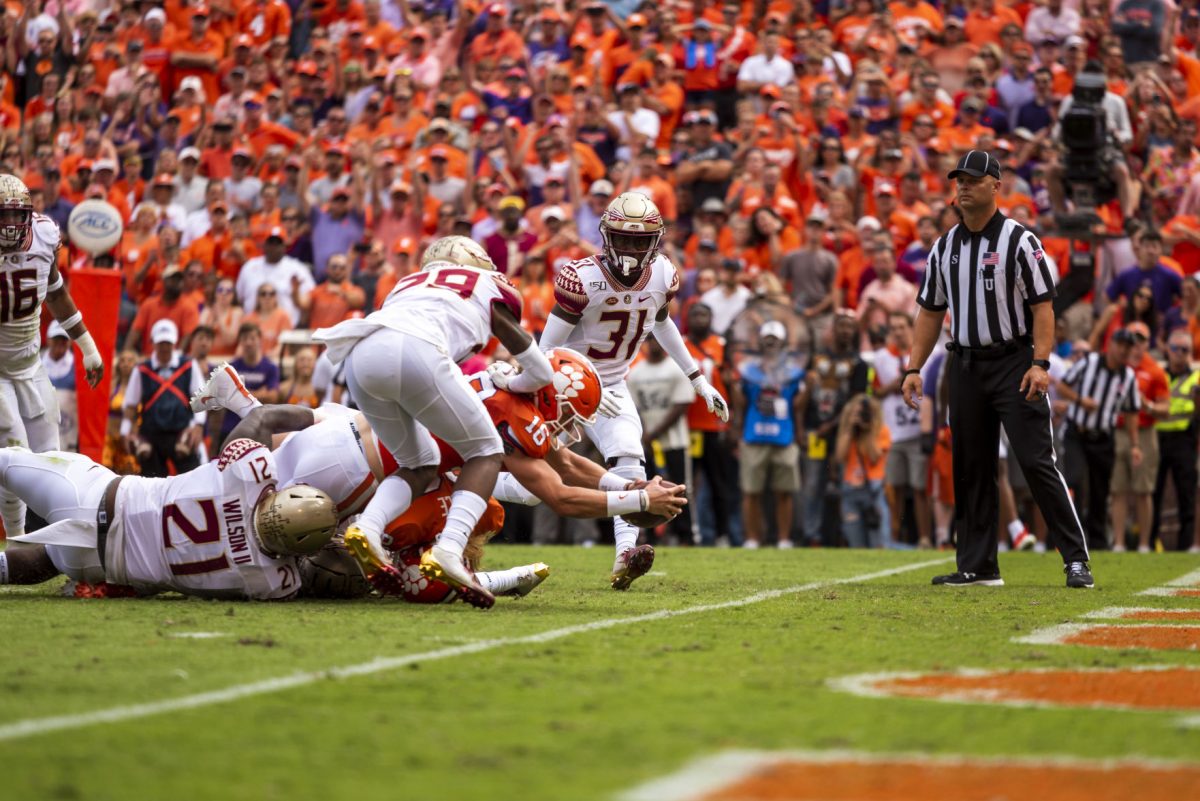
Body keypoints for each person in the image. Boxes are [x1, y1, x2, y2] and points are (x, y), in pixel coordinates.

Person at [307, 236, 554, 609]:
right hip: (417, 349)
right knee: (486, 451)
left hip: (361, 357)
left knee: (418, 463)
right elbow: (538, 371)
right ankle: (449, 549)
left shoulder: (406, 284)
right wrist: (513, 380)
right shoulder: (484, 283)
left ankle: (368, 528)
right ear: (474, 261)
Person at [902, 151, 1094, 588]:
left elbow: (1043, 307)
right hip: (965, 363)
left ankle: (1076, 559)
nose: (963, 186)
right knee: (970, 466)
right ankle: (978, 565)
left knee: (1035, 460)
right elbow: (930, 311)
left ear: (996, 186)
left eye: (973, 179)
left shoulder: (1019, 240)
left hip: (1014, 361)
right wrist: (914, 367)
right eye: (959, 180)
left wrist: (1041, 363)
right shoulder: (944, 245)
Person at [537, 193, 728, 586]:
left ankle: (625, 553)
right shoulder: (582, 277)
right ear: (607, 236)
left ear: (655, 241)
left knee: (628, 456)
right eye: (624, 238)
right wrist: (578, 385)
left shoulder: (661, 274)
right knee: (536, 474)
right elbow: (545, 351)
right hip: (563, 380)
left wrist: (698, 378)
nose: (632, 248)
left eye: (641, 241)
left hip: (613, 383)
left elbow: (662, 322)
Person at [0, 442, 337, 600]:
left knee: (7, 460)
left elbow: (250, 434)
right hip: (100, 567)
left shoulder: (253, 471)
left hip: (92, 495)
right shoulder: (272, 581)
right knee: (52, 558)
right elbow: (299, 574)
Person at [0, 174, 104, 538]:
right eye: (3, 216)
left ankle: (63, 541)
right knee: (12, 450)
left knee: (51, 456)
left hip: (29, 363)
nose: (11, 225)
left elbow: (57, 292)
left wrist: (87, 346)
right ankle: (16, 540)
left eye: (17, 216)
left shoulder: (44, 236)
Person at [1056, 328, 1142, 552]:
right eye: (1120, 344)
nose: (1124, 350)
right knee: (1074, 479)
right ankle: (1070, 534)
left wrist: (1134, 445)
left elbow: (1132, 412)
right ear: (1110, 344)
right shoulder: (1090, 362)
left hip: (1104, 438)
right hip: (1078, 432)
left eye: (1128, 346)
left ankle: (1097, 541)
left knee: (1100, 490)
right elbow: (1063, 385)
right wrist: (1080, 400)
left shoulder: (1129, 376)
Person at [799, 309, 872, 547]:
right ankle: (813, 535)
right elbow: (804, 397)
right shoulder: (817, 358)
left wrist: (832, 424)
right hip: (814, 430)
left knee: (845, 485)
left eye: (850, 326)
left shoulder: (859, 364)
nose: (845, 330)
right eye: (841, 325)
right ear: (833, 329)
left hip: (844, 434)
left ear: (855, 332)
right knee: (812, 485)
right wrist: (801, 428)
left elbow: (856, 401)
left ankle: (845, 534)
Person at [733, 321, 804, 549]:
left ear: (783, 343)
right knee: (751, 491)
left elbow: (798, 405)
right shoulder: (748, 370)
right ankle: (752, 538)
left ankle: (783, 539)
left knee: (784, 491)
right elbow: (742, 404)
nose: (771, 342)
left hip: (783, 435)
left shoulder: (793, 371)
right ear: (761, 342)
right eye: (767, 338)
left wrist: (810, 387)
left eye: (775, 338)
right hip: (754, 434)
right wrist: (733, 388)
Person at [626, 338, 695, 545]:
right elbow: (633, 408)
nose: (655, 343)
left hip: (674, 441)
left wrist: (654, 432)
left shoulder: (676, 368)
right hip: (646, 443)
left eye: (658, 339)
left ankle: (685, 535)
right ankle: (653, 534)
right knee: (648, 488)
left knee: (680, 487)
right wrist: (644, 434)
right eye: (650, 339)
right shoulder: (637, 372)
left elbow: (681, 404)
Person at [1108, 321, 1168, 552]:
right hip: (1118, 429)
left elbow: (1166, 408)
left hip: (1144, 432)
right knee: (1118, 489)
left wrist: (1149, 406)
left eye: (1141, 340)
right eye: (1132, 339)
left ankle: (1144, 543)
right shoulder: (1115, 366)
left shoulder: (1153, 370)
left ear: (1146, 343)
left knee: (1144, 490)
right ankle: (1119, 543)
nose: (1135, 345)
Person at [122, 320, 208, 479]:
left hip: (181, 431)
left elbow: (201, 398)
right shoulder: (142, 370)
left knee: (193, 478)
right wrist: (125, 432)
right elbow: (131, 404)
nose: (164, 347)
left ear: (174, 343)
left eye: (168, 343)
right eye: (160, 343)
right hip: (151, 433)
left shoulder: (188, 365)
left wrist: (199, 426)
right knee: (151, 481)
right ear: (153, 343)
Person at [1152, 329, 1200, 553]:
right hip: (1157, 437)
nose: (1180, 354)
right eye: (1175, 348)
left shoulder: (1197, 375)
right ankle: (1148, 542)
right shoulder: (1157, 373)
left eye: (1185, 350)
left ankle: (1186, 545)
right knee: (1153, 492)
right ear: (1167, 350)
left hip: (1184, 438)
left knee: (1186, 493)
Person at [836, 394, 892, 548]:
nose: (859, 417)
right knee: (856, 545)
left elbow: (875, 456)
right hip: (850, 489)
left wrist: (868, 430)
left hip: (873, 490)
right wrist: (849, 429)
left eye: (863, 413)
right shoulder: (848, 432)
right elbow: (840, 456)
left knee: (879, 544)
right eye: (856, 413)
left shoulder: (882, 431)